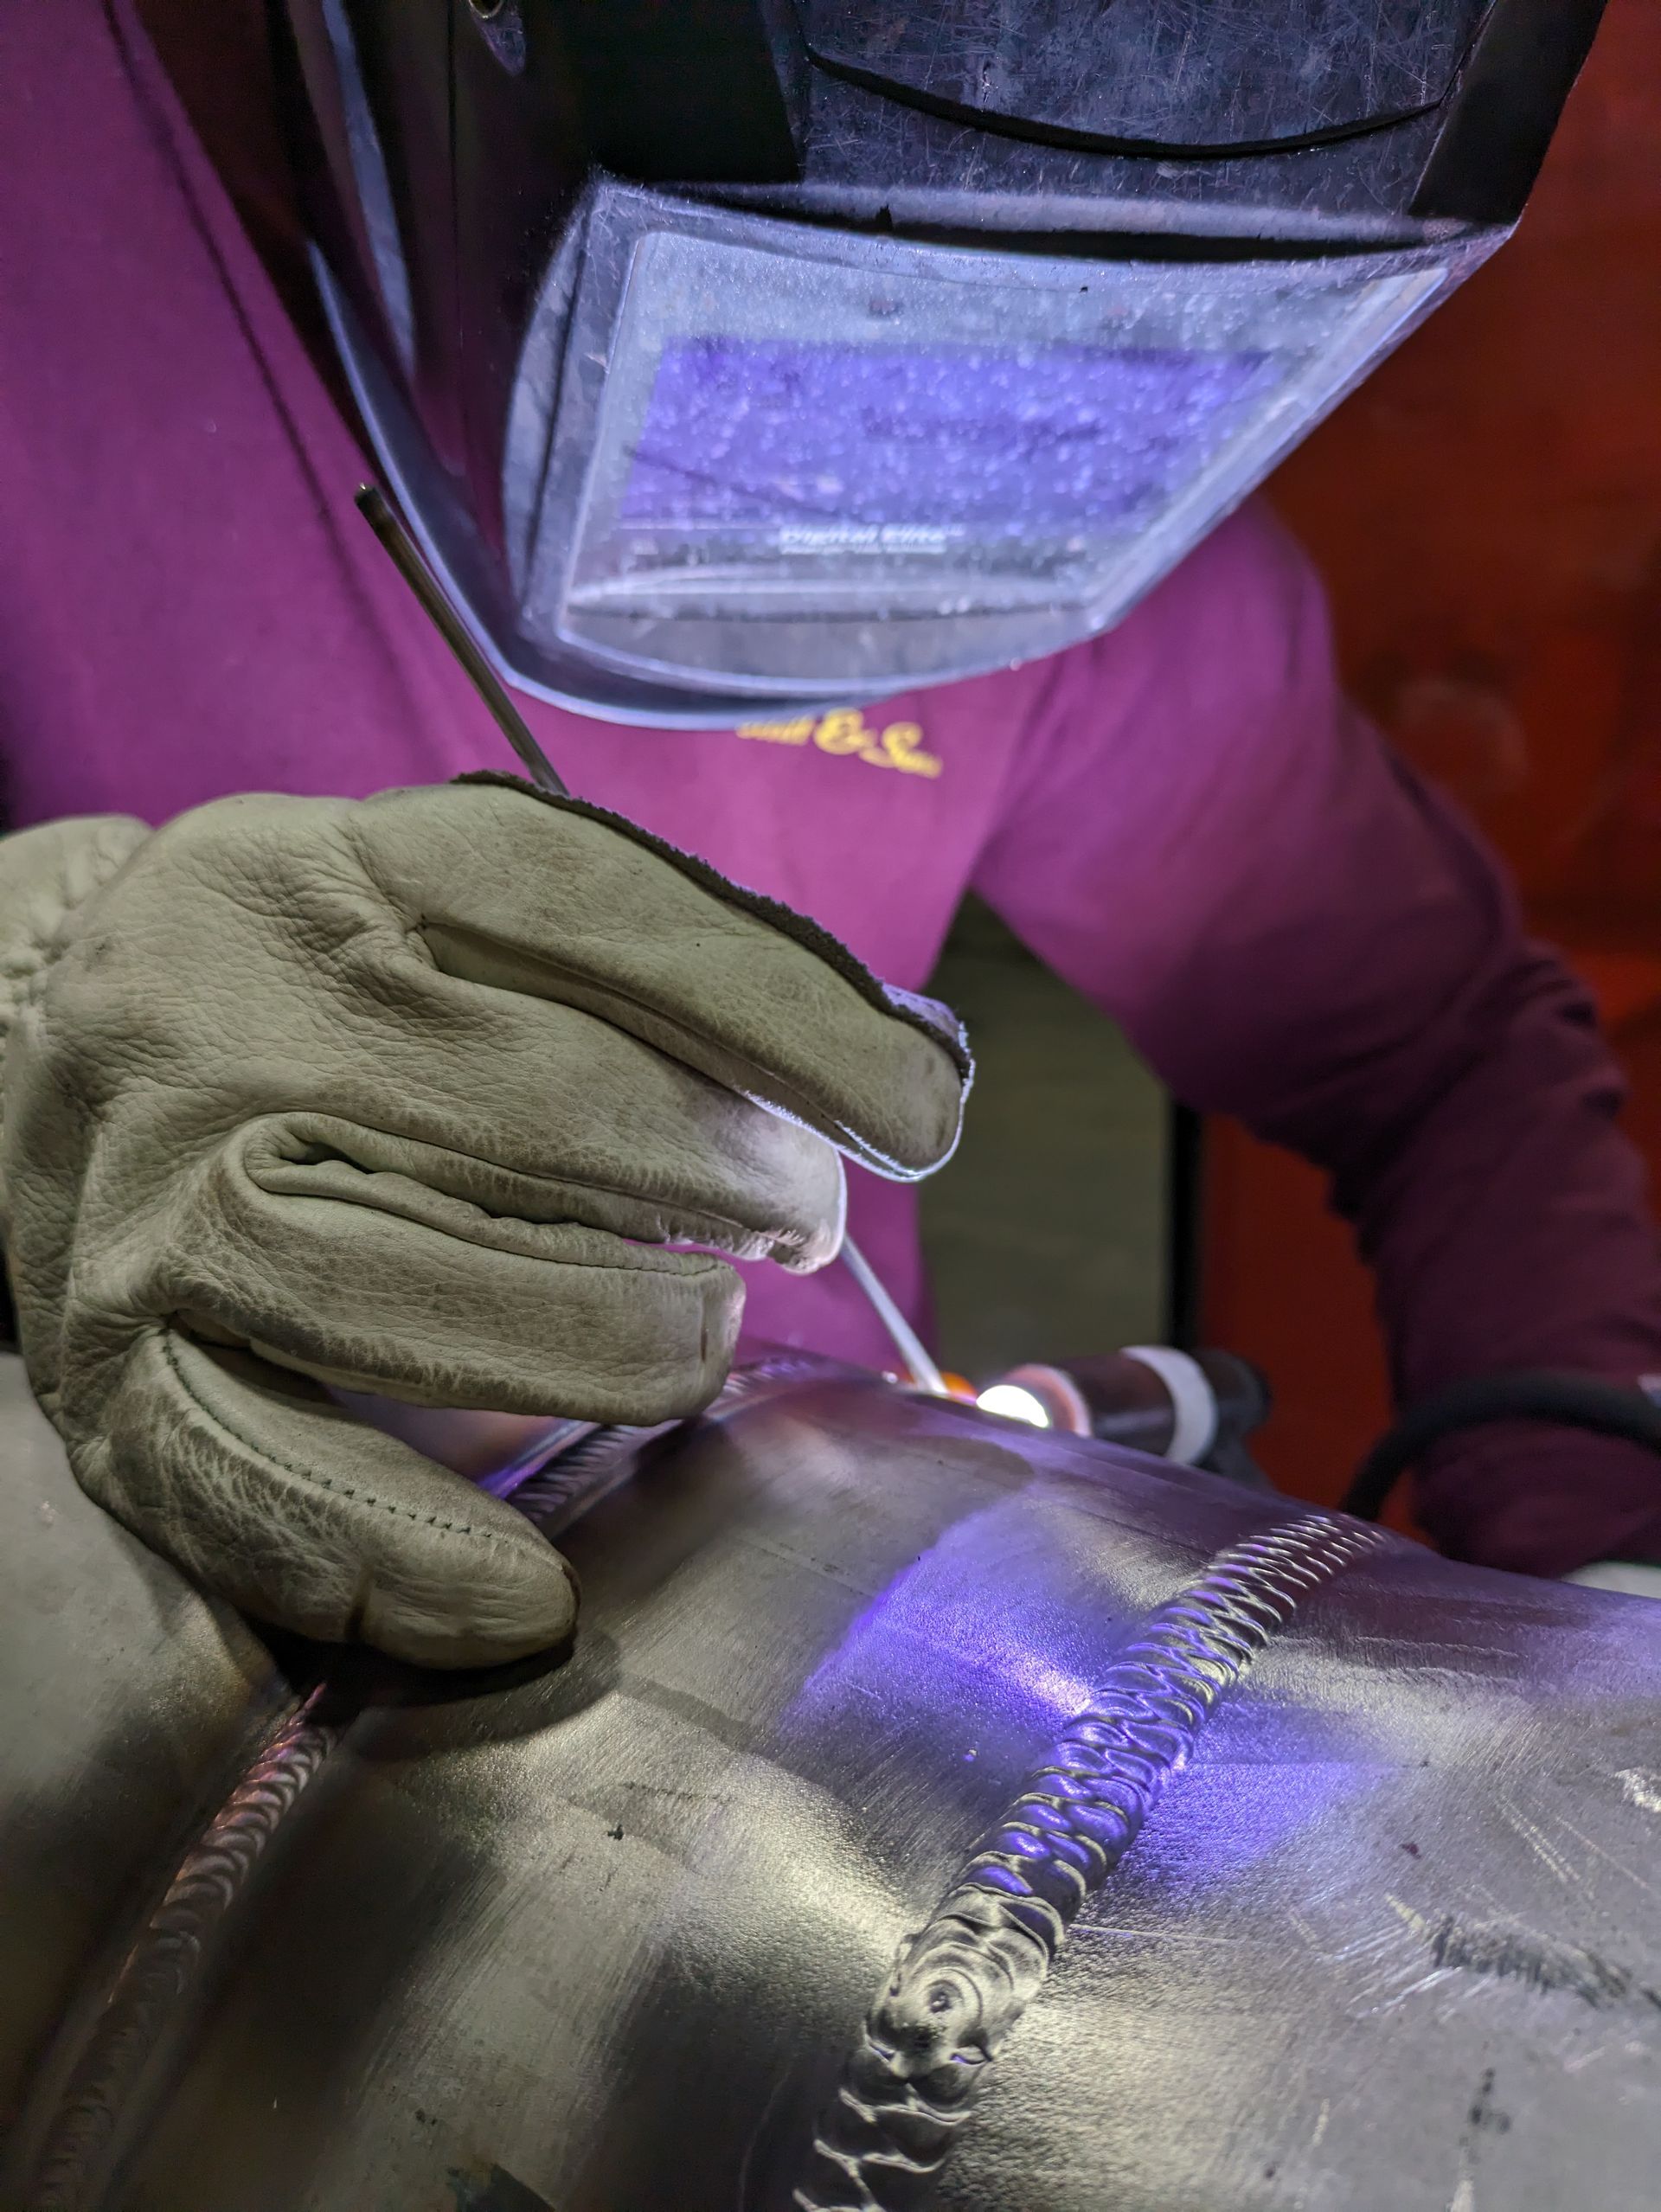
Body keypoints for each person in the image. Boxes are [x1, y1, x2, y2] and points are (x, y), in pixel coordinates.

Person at [1, 2, 1658, 1666]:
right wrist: (36, 981)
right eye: (801, 350)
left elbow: (1436, 1040)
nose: (906, 443)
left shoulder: (1100, 406)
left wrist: (1602, 1579)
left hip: (792, 1630)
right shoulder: (59, 151)